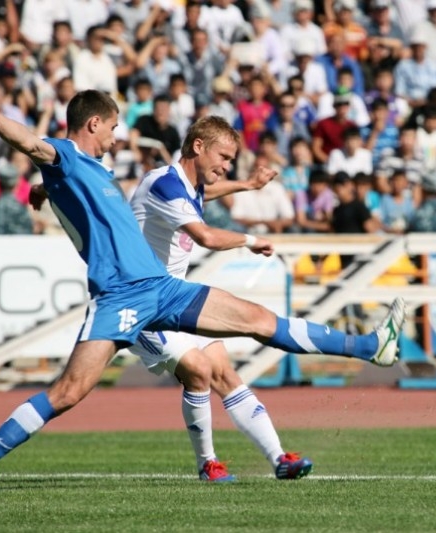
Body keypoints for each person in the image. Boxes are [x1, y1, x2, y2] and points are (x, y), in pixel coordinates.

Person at [0, 88, 406, 496]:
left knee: (258, 321)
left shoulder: (97, 171)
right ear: (93, 123)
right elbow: (32, 144)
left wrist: (45, 191)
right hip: (120, 296)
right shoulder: (66, 154)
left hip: (163, 288)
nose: (116, 137)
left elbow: (103, 199)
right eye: (112, 128)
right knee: (68, 392)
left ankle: (370, 347)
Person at [125, 135, 313, 481]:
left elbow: (204, 192)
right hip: (144, 307)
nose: (227, 165)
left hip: (175, 300)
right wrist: (250, 240)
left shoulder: (186, 187)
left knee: (224, 371)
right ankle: (207, 464)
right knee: (198, 370)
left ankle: (279, 459)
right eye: (223, 156)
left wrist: (246, 185)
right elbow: (208, 237)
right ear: (198, 146)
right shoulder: (163, 183)